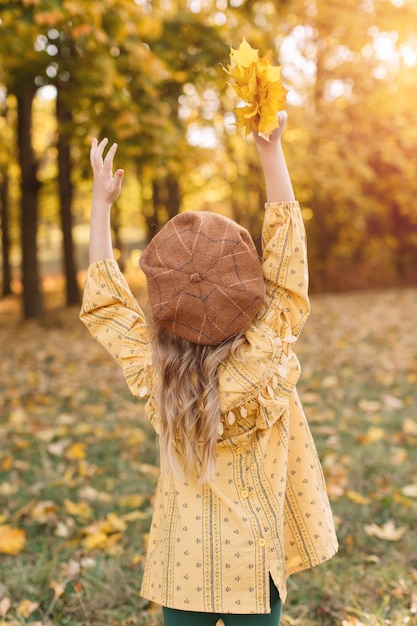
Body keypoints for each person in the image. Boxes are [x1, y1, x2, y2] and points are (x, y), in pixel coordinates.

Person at [80, 111, 338, 626]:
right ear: (247, 290)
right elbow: (289, 269)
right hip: (254, 570)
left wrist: (100, 205)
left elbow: (107, 304)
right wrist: (271, 151)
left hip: (184, 568)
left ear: (163, 304)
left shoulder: (158, 376)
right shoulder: (265, 356)